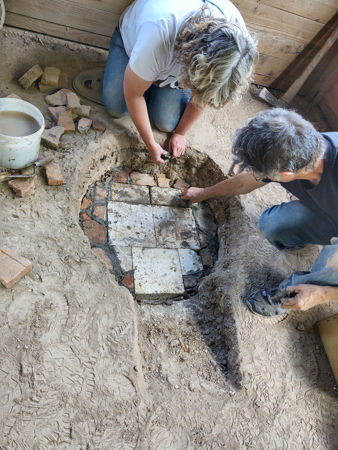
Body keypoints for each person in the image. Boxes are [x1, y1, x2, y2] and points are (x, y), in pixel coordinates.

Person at [182, 108, 338, 316]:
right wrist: (203, 193)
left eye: (260, 172)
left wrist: (324, 293)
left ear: (286, 174)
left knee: (333, 263)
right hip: (329, 213)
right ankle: (314, 238)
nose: (254, 173)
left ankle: (289, 296)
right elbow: (246, 181)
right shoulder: (298, 145)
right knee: (272, 225)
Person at [102, 0, 256, 163]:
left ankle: (146, 78)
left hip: (166, 63)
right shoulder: (159, 33)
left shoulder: (239, 45)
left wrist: (180, 133)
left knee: (167, 124)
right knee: (115, 106)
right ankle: (142, 76)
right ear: (196, 63)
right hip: (132, 42)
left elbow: (206, 94)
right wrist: (151, 144)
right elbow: (133, 95)